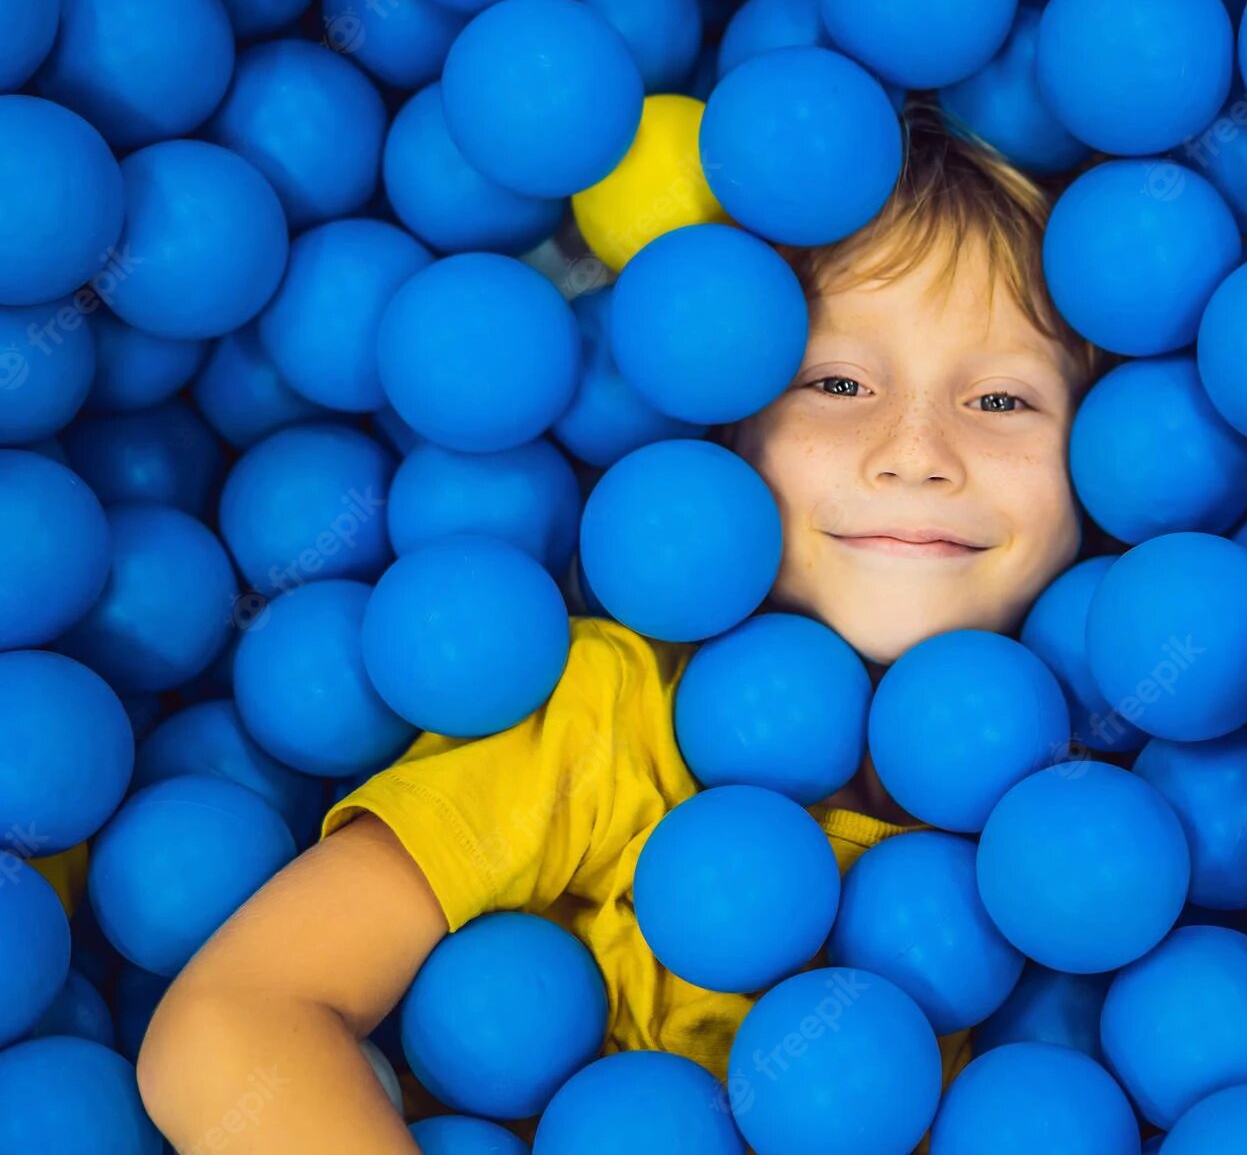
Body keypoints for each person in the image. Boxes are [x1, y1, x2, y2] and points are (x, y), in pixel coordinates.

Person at [136, 100, 1098, 1153]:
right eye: (836, 382)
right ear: (726, 427)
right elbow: (232, 1023)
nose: (915, 453)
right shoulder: (603, 721)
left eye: (1001, 400)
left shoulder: (1105, 817)